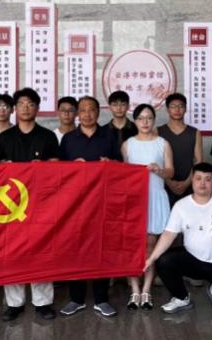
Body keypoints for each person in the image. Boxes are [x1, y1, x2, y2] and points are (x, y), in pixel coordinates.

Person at [145, 162, 212, 314]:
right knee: (164, 261)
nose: (202, 183)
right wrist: (151, 258)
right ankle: (181, 298)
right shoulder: (181, 206)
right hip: (192, 259)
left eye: (207, 179)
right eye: (198, 178)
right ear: (192, 180)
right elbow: (168, 234)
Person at [0, 88, 59, 321]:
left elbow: (57, 166)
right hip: (12, 204)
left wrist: (43, 168)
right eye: (21, 103)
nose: (26, 107)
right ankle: (15, 303)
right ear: (15, 108)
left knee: (41, 250)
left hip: (41, 203)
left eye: (30, 103)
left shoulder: (48, 136)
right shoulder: (4, 138)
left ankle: (43, 302)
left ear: (37, 108)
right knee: (12, 252)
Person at [59, 96, 122, 318]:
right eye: (83, 110)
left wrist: (111, 165)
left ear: (98, 112)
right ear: (78, 113)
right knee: (75, 248)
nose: (87, 114)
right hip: (75, 204)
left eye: (91, 109)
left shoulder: (109, 136)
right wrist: (71, 167)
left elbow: (122, 166)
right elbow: (58, 172)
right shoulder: (68, 139)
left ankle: (101, 299)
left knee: (101, 248)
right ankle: (76, 299)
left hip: (102, 201)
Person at [121, 103, 173, 310]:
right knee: (133, 247)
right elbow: (121, 175)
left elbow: (171, 171)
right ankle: (134, 290)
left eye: (149, 118)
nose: (145, 122)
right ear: (135, 121)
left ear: (154, 120)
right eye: (141, 118)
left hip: (155, 197)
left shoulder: (163, 143)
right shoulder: (128, 145)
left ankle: (146, 290)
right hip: (134, 200)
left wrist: (159, 170)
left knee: (151, 246)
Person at [157, 93, 203, 206]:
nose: (177, 110)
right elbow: (157, 160)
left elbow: (199, 162)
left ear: (185, 109)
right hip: (164, 184)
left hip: (189, 184)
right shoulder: (158, 131)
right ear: (167, 109)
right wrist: (169, 182)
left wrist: (186, 183)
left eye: (181, 106)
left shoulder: (195, 132)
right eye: (173, 106)